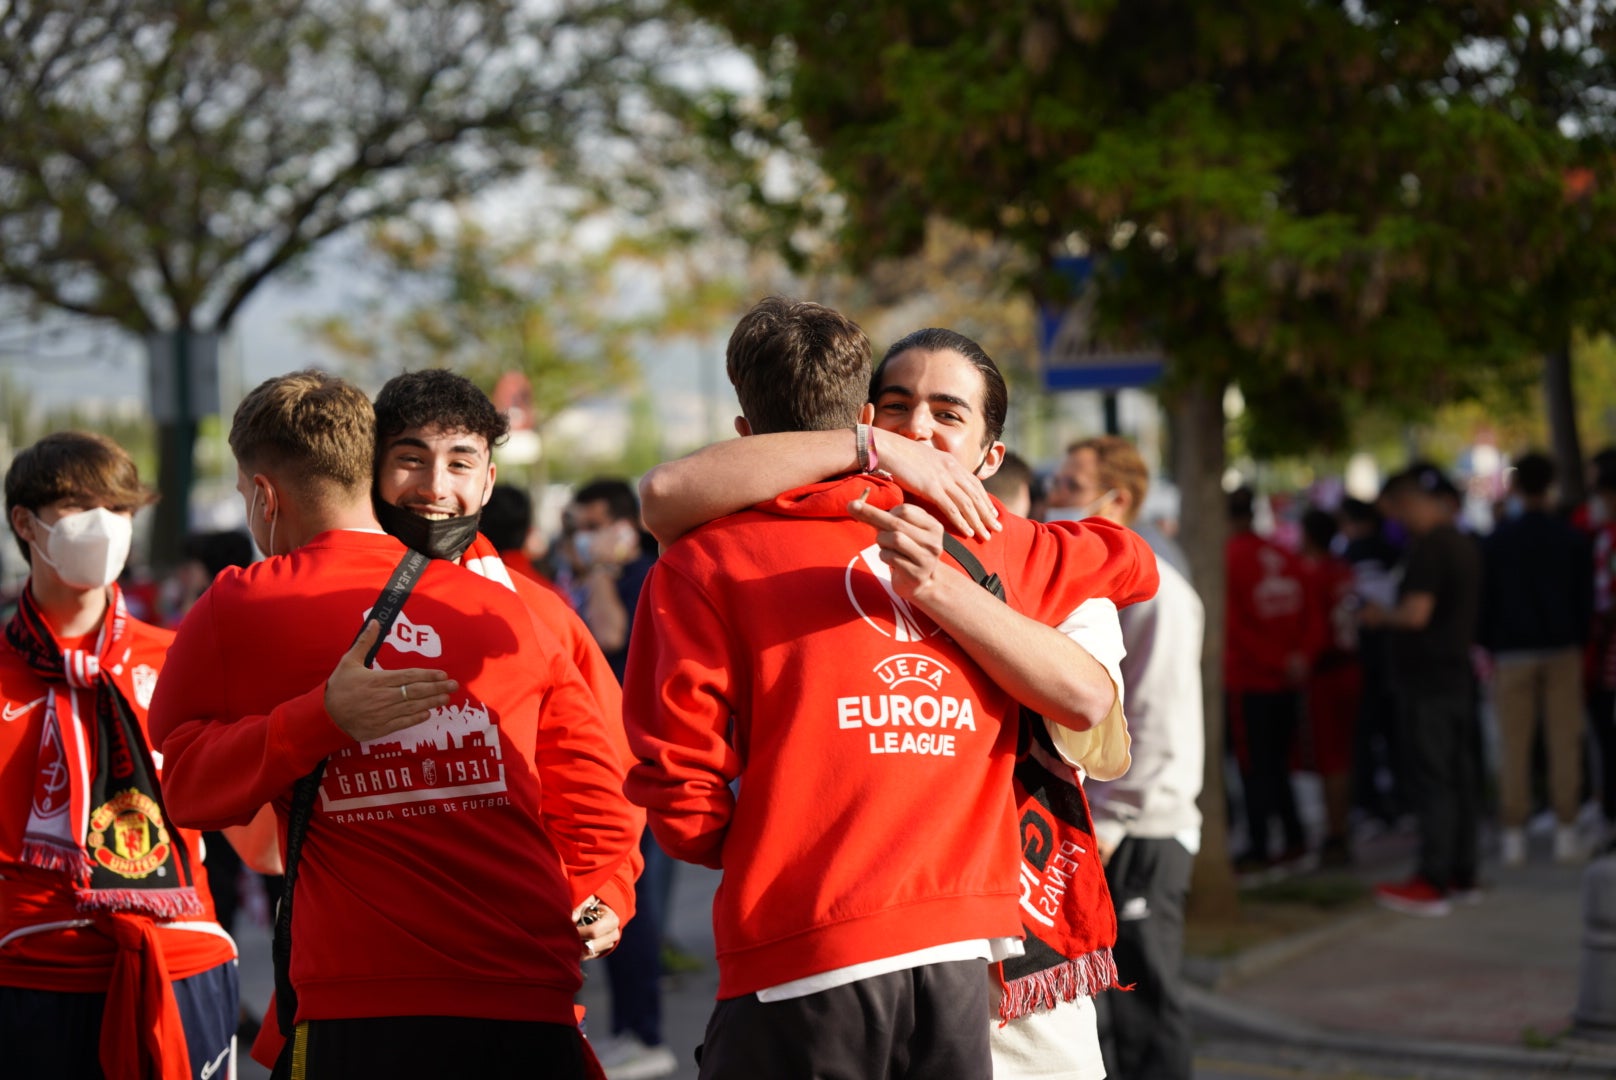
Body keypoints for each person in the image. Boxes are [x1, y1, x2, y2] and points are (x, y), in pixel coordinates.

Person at [634, 306, 1156, 1080]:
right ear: (863, 422)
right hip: (874, 942)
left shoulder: (1022, 554)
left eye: (947, 414)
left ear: (990, 454)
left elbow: (1091, 687)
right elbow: (666, 493)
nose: (919, 429)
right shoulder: (730, 549)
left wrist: (946, 585)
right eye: (898, 407)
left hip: (1009, 938)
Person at [149, 370, 640, 1078]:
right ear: (370, 469)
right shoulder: (516, 611)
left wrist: (603, 892)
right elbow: (602, 784)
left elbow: (186, 791)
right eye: (413, 460)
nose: (436, 488)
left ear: (261, 494)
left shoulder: (243, 605)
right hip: (497, 995)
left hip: (399, 1000)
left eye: (460, 463)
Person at [2, 432, 239, 1080]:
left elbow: (258, 837)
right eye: (80, 506)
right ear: (24, 521)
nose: (104, 526)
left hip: (181, 961)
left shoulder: (183, 655)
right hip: (30, 972)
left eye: (121, 508)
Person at [1058, 435, 1204, 1080]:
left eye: (1069, 486)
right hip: (1108, 824)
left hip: (1142, 830)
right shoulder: (1097, 579)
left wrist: (1115, 821)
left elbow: (1158, 718)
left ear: (1116, 499)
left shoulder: (1158, 590)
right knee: (1108, 1011)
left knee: (1147, 1006)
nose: (1053, 499)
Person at [1364, 463, 1483, 917]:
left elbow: (1415, 614)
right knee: (1458, 778)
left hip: (1430, 681)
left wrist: (1380, 617)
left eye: (1396, 510)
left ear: (1411, 502)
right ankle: (1461, 872)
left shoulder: (1432, 548)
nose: (1395, 520)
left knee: (1435, 779)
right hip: (1453, 676)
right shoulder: (1461, 542)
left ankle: (1434, 878)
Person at [1480, 451, 1592, 865]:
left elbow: (1485, 603)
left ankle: (1514, 833)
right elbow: (1585, 602)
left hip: (1513, 652)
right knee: (1564, 741)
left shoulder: (1498, 540)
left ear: (1515, 486)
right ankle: (1566, 828)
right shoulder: (1570, 538)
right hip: (1561, 647)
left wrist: (1491, 642)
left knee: (1514, 744)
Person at [1224, 487, 1310, 870]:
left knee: (1254, 767)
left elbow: (1234, 627)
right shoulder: (1284, 555)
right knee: (1279, 763)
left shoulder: (1228, 558)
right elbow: (1312, 610)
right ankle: (1293, 837)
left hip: (1250, 680)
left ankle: (1261, 846)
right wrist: (1297, 659)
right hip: (1286, 678)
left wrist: (1276, 661)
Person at [1298, 507, 1361, 865]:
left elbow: (1317, 632)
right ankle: (1340, 829)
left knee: (1331, 759)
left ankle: (1336, 835)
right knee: (1343, 756)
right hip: (1350, 668)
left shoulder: (1316, 574)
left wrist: (1301, 660)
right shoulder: (1343, 570)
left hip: (1327, 673)